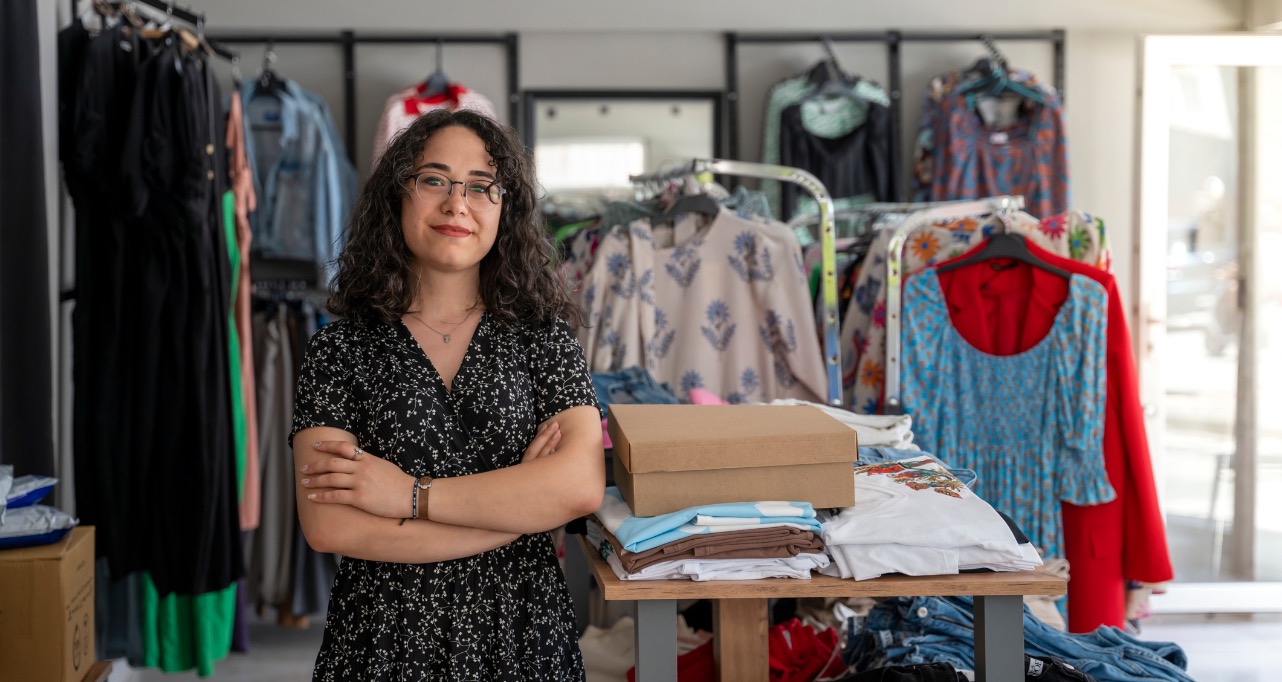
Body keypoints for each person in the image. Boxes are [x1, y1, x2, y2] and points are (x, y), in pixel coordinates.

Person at [290, 109, 604, 680]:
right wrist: (517, 517)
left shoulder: (542, 339)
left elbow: (579, 486)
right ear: (398, 195)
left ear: (505, 208)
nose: (457, 203)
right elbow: (331, 527)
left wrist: (409, 496)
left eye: (482, 187)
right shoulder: (339, 351)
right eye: (434, 179)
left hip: (522, 639)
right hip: (382, 644)